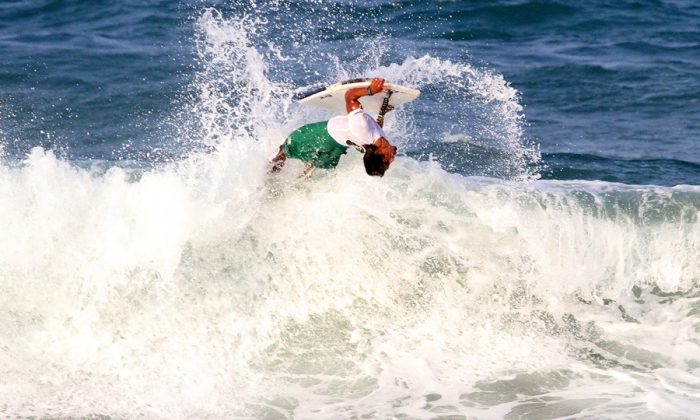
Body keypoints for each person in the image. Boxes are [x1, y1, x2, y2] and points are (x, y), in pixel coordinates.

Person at [270, 77, 398, 178]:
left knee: (286, 148)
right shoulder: (377, 143)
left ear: (379, 152)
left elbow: (350, 96)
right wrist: (382, 112)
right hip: (336, 150)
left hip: (322, 134)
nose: (393, 160)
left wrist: (371, 90)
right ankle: (300, 181)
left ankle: (269, 175)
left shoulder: (362, 126)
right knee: (311, 166)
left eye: (388, 161)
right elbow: (376, 128)